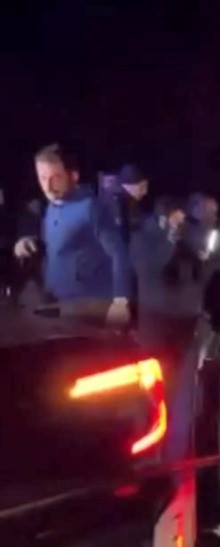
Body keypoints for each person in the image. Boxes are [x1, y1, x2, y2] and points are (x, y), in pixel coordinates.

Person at [12, 144, 132, 326]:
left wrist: (121, 302)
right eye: (42, 178)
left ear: (73, 176)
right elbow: (61, 249)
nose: (48, 186)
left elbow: (119, 254)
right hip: (56, 303)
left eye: (56, 178)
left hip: (89, 307)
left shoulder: (91, 207)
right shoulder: (52, 208)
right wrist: (27, 242)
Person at [129, 196, 206, 460]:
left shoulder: (187, 239)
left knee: (177, 392)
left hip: (184, 324)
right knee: (151, 388)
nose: (178, 224)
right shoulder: (143, 238)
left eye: (180, 219)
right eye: (172, 219)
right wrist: (170, 239)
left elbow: (204, 263)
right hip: (156, 323)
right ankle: (144, 449)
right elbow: (151, 267)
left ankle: (169, 453)